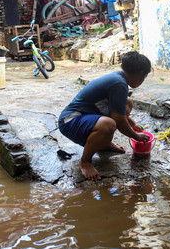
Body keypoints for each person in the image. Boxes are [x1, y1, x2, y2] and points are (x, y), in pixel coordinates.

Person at [58, 51, 152, 181]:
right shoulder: (119, 83)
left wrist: (132, 123)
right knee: (108, 125)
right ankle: (85, 161)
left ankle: (103, 144)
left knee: (127, 102)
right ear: (140, 74)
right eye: (144, 77)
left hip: (86, 115)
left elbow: (117, 110)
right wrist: (135, 136)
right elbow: (118, 120)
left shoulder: (119, 78)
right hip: (69, 121)